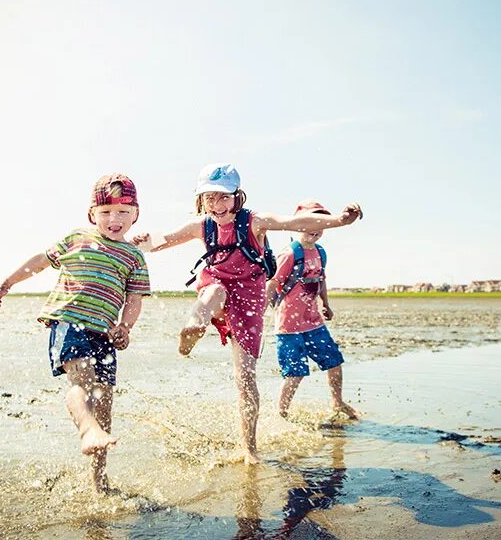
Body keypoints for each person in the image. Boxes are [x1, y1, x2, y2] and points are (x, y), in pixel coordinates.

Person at [133, 163, 362, 464]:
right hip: (216, 285)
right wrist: (142, 241)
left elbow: (292, 221)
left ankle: (249, 448)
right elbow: (163, 241)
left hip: (250, 299)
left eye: (224, 197)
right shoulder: (201, 226)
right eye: (209, 198)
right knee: (215, 291)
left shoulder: (254, 221)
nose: (217, 205)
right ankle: (194, 324)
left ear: (237, 196)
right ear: (202, 200)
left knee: (245, 377)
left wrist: (340, 221)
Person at [0, 173, 150, 492]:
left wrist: (125, 327)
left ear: (135, 214)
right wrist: (8, 283)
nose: (113, 219)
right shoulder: (76, 238)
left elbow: (134, 299)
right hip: (68, 321)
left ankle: (99, 479)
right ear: (92, 214)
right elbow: (40, 261)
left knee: (104, 405)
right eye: (105, 212)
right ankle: (86, 430)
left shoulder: (134, 257)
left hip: (104, 335)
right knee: (82, 382)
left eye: (122, 211)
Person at [265, 200, 359, 420]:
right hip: (288, 327)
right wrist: (260, 312)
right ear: (298, 225)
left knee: (334, 362)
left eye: (320, 226)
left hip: (314, 322)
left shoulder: (320, 253)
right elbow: (272, 283)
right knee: (295, 374)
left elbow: (321, 280)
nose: (314, 230)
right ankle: (282, 413)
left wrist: (326, 304)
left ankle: (337, 403)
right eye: (308, 224)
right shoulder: (289, 254)